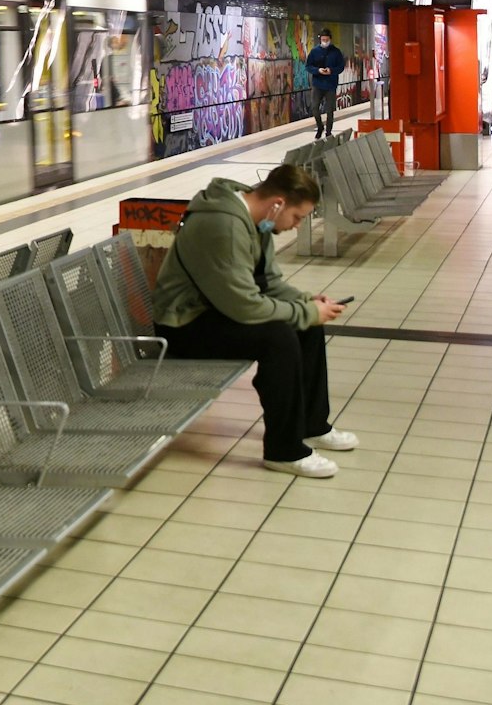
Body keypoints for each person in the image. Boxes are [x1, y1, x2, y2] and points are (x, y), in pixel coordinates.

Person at [153, 162, 357, 476]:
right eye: (297, 217)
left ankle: (311, 425)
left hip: (214, 311)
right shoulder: (222, 225)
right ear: (278, 204)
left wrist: (306, 303)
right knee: (278, 338)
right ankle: (284, 451)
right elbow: (244, 306)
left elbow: (269, 283)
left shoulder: (257, 222)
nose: (296, 225)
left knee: (307, 327)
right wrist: (303, 312)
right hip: (182, 324)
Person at [305, 28, 346, 137]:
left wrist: (331, 71)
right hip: (317, 83)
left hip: (330, 85)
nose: (325, 42)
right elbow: (308, 66)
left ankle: (328, 132)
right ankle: (320, 126)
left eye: (327, 40)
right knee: (314, 107)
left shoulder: (336, 52)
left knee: (329, 110)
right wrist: (317, 70)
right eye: (323, 39)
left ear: (330, 39)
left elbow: (341, 67)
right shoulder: (314, 51)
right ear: (320, 39)